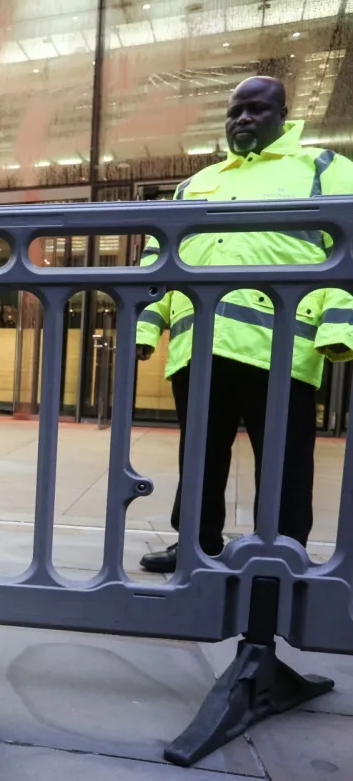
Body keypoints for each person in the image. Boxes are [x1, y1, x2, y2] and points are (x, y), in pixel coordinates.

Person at [135, 76, 353, 573]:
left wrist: (339, 327)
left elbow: (348, 247)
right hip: (200, 344)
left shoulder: (324, 168)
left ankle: (281, 551)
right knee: (200, 458)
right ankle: (195, 544)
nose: (243, 119)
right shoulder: (197, 183)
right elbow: (161, 258)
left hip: (279, 347)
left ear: (283, 115)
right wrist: (148, 326)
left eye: (256, 109)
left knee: (283, 459)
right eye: (235, 112)